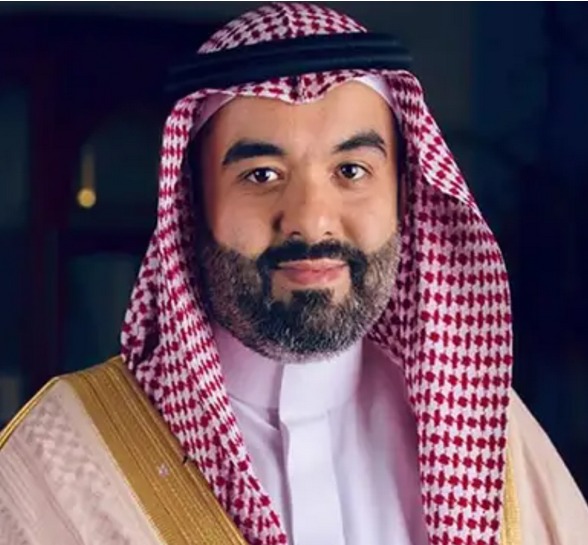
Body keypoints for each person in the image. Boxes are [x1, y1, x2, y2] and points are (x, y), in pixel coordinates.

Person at [1, 3, 587, 545]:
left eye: (351, 170)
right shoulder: (63, 460)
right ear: (194, 206)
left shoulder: (488, 438)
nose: (310, 219)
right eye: (261, 175)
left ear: (404, 197)